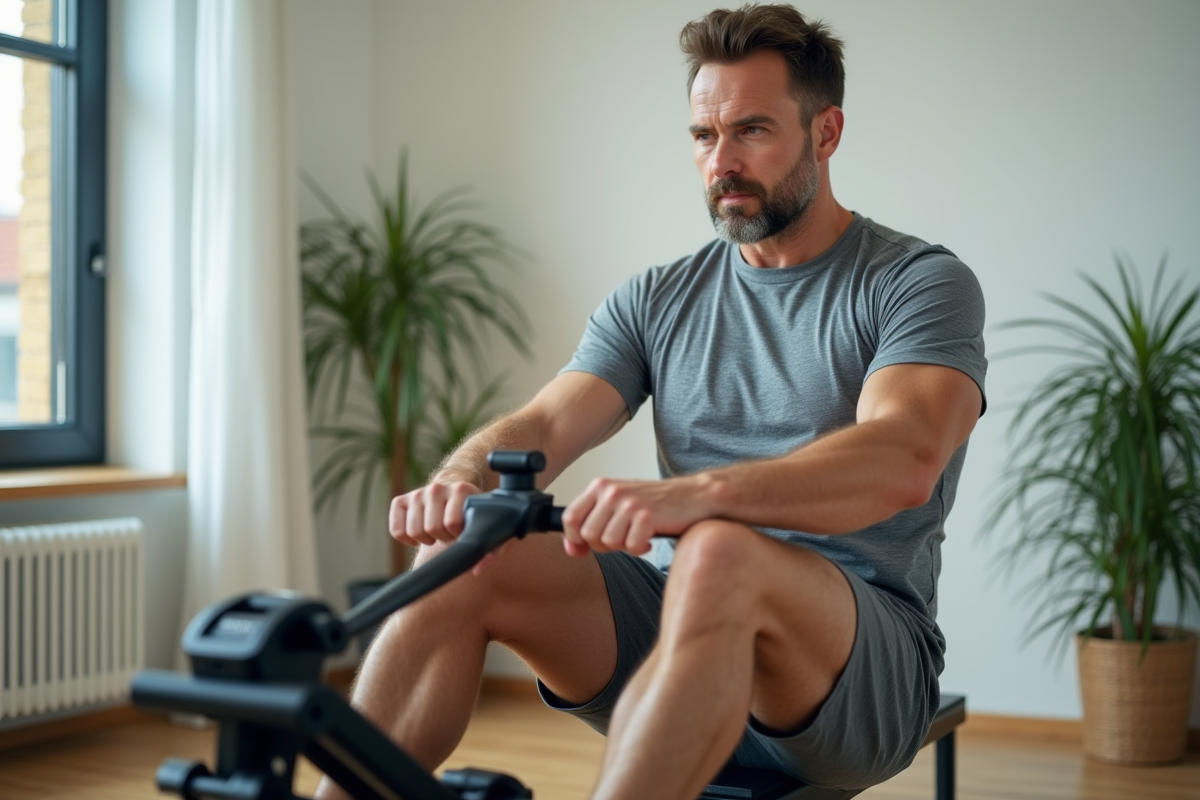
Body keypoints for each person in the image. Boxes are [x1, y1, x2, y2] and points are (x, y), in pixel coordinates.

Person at [317, 4, 986, 800]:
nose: (722, 162)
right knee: (468, 548)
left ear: (826, 132)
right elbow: (541, 425)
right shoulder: (659, 298)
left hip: (854, 675)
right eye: (705, 136)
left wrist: (694, 500)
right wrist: (460, 479)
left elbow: (904, 457)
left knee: (717, 549)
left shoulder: (916, 283)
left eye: (752, 132)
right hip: (678, 635)